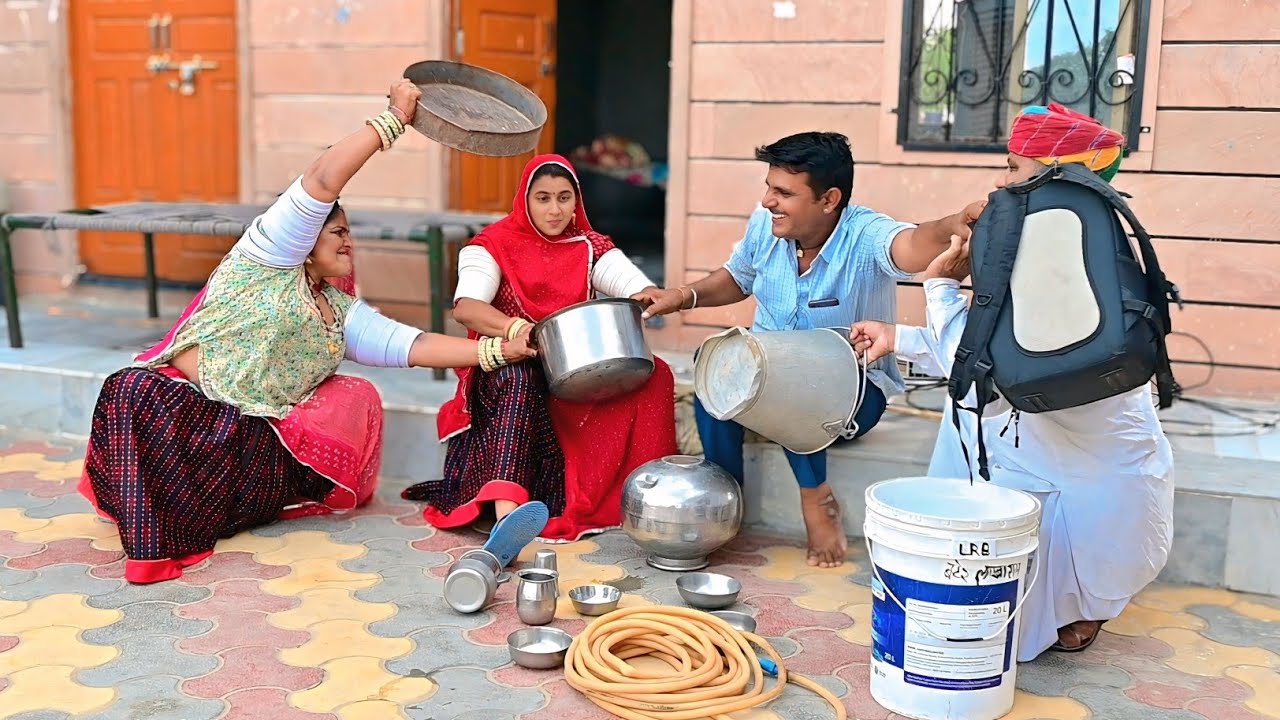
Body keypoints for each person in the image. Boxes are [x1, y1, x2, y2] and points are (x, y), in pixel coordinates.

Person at [79, 79, 537, 584]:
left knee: (260, 449)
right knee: (132, 387)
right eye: (337, 232)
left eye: (348, 234)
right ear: (305, 236)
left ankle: (192, 516)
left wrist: (503, 348)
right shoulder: (263, 261)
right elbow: (322, 179)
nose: (348, 243)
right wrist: (395, 121)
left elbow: (413, 345)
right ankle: (155, 548)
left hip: (245, 442)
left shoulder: (340, 312)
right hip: (182, 412)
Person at [849, 103, 1174, 658]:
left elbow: (985, 370)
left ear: (1054, 173)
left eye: (1016, 167)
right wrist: (898, 337)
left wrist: (938, 289)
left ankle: (1077, 614)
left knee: (1072, 561)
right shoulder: (1082, 234)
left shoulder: (1056, 245)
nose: (1004, 180)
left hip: (1082, 445)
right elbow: (991, 347)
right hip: (1049, 437)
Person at [637, 131, 983, 568]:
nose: (768, 201)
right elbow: (738, 277)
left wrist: (955, 224)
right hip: (767, 383)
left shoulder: (863, 234)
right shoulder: (767, 225)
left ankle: (816, 497)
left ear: (829, 199)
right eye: (768, 187)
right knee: (714, 380)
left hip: (850, 398)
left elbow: (913, 245)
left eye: (783, 192)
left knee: (794, 383)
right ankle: (727, 504)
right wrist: (683, 295)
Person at [405, 154, 679, 542]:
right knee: (520, 377)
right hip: (506, 362)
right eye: (544, 198)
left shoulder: (588, 245)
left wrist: (650, 296)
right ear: (525, 200)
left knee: (657, 373)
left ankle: (648, 499)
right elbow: (467, 308)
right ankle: (507, 518)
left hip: (571, 362)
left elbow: (633, 285)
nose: (555, 210)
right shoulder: (490, 245)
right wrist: (518, 331)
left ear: (576, 201)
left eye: (564, 198)